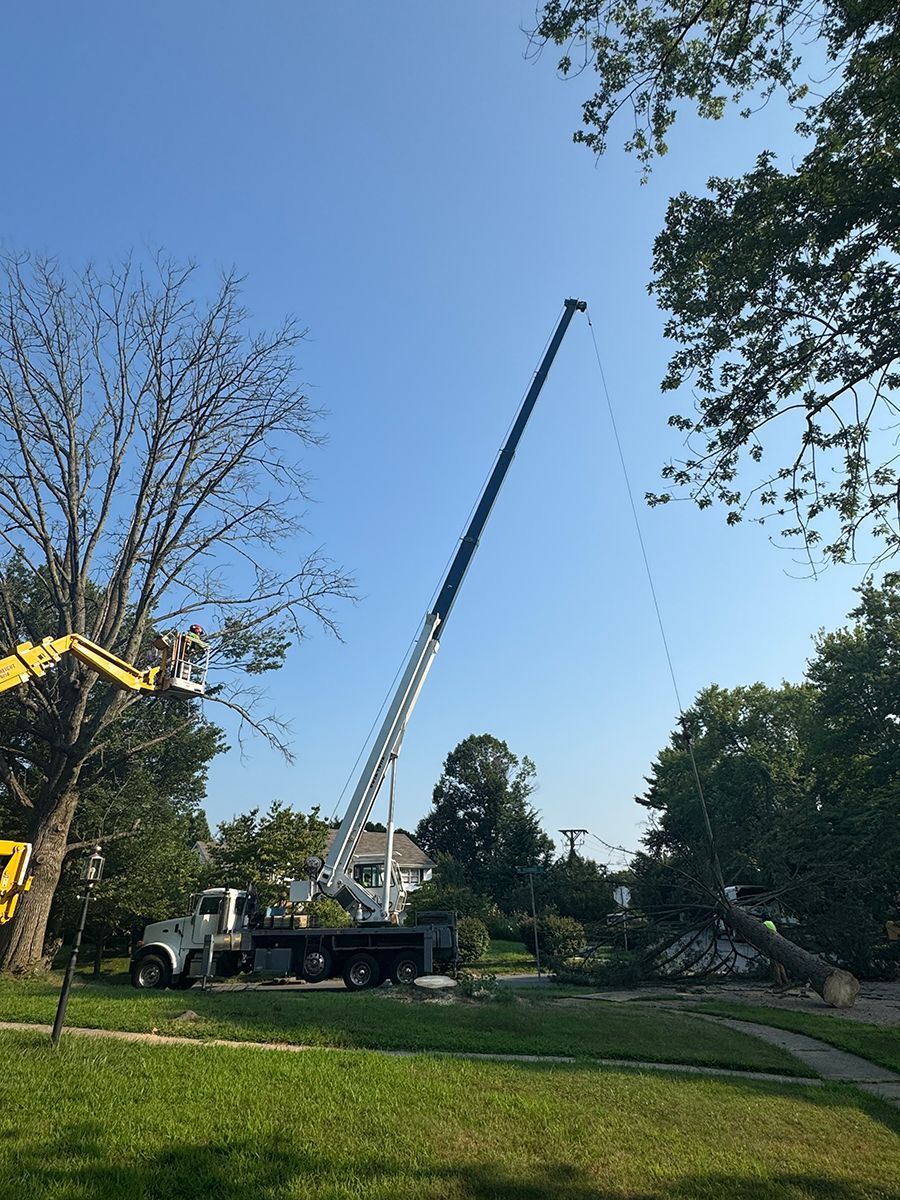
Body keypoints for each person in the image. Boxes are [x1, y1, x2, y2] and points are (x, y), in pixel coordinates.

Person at [763, 916, 789, 987]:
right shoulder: (771, 923)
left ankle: (778, 982)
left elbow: (765, 934)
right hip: (778, 944)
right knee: (780, 964)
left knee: (775, 965)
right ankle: (785, 980)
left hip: (773, 946)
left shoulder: (765, 923)